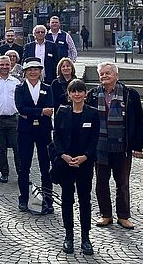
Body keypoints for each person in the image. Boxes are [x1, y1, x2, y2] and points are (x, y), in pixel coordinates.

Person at [86, 62, 143, 230]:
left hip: (122, 146)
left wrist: (138, 145)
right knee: (101, 182)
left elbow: (138, 121)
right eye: (102, 74)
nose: (104, 76)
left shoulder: (129, 94)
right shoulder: (92, 95)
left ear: (116, 75)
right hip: (100, 146)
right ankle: (106, 214)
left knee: (122, 183)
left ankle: (123, 216)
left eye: (108, 73)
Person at [53, 79, 99, 256]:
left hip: (84, 163)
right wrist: (62, 155)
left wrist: (85, 157)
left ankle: (86, 237)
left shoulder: (92, 113)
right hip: (66, 162)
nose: (77, 94)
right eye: (74, 91)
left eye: (80, 91)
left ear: (85, 94)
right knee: (67, 199)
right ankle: (69, 235)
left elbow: (95, 139)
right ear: (69, 94)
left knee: (84, 200)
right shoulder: (62, 111)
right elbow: (56, 135)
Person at [15, 57, 55, 214]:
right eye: (30, 70)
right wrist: (41, 112)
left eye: (36, 69)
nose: (33, 72)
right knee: (24, 166)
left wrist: (32, 113)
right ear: (25, 72)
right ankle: (23, 198)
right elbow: (20, 108)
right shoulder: (19, 88)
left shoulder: (47, 88)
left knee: (45, 166)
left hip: (43, 131)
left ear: (40, 71)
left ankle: (48, 200)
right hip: (25, 132)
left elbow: (50, 108)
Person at [0, 55, 22, 184]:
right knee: (0, 148)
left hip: (14, 118)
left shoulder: (16, 82)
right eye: (2, 64)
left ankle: (21, 173)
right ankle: (4, 173)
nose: (4, 67)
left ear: (11, 66)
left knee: (18, 147)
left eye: (7, 64)